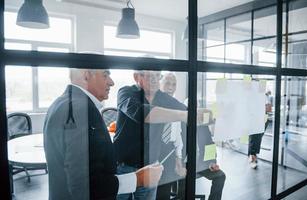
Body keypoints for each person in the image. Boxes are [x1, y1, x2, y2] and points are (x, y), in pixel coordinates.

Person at [44, 68, 163, 200]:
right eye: (105, 75)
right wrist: (138, 179)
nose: (111, 82)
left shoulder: (62, 103)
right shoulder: (80, 110)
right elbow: (85, 185)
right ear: (86, 75)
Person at [114, 70, 207, 200]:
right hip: (124, 166)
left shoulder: (163, 97)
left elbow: (185, 110)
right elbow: (142, 113)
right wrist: (185, 115)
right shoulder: (126, 92)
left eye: (157, 76)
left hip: (150, 166)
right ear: (136, 77)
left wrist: (202, 113)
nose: (154, 79)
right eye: (150, 75)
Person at [163, 73, 225, 200]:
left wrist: (213, 162)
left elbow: (210, 143)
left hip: (201, 164)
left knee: (220, 176)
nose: (194, 112)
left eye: (196, 109)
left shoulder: (202, 124)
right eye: (189, 109)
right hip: (183, 164)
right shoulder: (179, 122)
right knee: (184, 191)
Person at [156, 73, 186, 199]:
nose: (171, 88)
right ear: (159, 84)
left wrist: (178, 157)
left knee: (164, 192)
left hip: (169, 151)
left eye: (174, 84)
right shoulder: (154, 105)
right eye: (167, 83)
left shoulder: (177, 106)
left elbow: (177, 134)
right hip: (156, 150)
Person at [248, 90, 273, 169]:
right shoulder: (251, 97)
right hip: (254, 118)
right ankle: (252, 156)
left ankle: (253, 154)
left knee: (258, 138)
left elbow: (269, 109)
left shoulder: (264, 97)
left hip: (263, 118)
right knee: (253, 137)